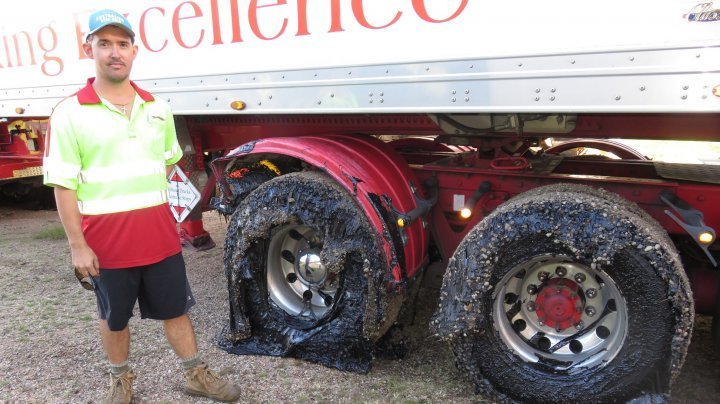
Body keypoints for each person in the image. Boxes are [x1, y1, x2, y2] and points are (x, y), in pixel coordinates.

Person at [42, 9, 242, 404]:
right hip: (107, 242)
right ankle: (121, 381)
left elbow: (169, 166)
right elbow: (63, 185)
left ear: (135, 50)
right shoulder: (69, 112)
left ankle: (195, 375)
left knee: (176, 310)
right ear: (89, 49)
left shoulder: (157, 108)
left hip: (159, 236)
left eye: (122, 44)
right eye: (104, 44)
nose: (114, 52)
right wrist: (77, 245)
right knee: (114, 317)